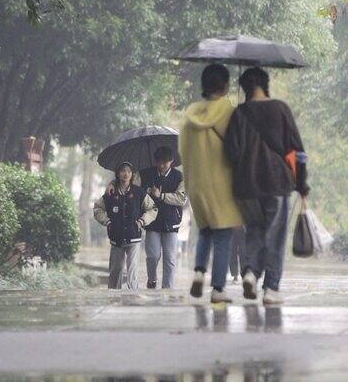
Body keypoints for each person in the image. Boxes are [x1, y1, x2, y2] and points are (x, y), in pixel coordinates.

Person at [224, 67, 309, 306]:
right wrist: (302, 185)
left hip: (246, 185)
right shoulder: (281, 109)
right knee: (275, 234)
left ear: (245, 88)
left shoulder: (240, 113)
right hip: (276, 182)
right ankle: (270, 288)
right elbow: (296, 152)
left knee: (255, 231)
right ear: (264, 84)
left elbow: (231, 153)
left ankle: (250, 272)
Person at [180, 64, 244, 304]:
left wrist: (190, 182)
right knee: (223, 235)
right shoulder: (228, 111)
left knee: (205, 229)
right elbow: (237, 149)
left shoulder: (189, 115)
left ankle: (199, 272)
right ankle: (218, 288)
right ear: (225, 86)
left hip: (197, 183)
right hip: (222, 184)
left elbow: (183, 151)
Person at [94, 162, 158, 289]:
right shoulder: (110, 192)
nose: (126, 174)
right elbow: (97, 208)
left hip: (134, 236)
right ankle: (113, 295)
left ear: (132, 174)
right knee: (115, 269)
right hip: (116, 237)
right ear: (118, 174)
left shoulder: (139, 192)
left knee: (132, 269)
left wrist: (142, 221)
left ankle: (132, 294)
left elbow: (153, 208)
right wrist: (107, 221)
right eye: (123, 171)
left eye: (129, 171)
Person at [139, 147, 187, 289]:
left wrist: (162, 195)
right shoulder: (147, 174)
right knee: (153, 256)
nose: (161, 165)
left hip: (171, 222)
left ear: (171, 161)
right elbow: (137, 191)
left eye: (165, 162)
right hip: (152, 222)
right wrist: (148, 191)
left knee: (170, 258)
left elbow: (181, 198)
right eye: (159, 162)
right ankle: (152, 279)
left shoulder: (179, 177)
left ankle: (168, 288)